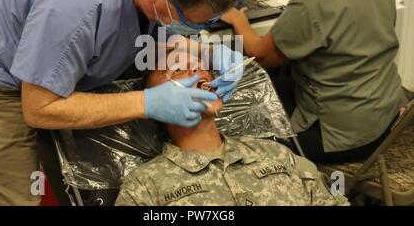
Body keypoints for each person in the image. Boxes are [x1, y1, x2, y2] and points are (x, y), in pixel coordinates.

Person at [0, 0, 244, 206]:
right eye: (190, 22)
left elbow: (144, 31)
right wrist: (146, 103)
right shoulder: (76, 5)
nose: (191, 69)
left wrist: (204, 50)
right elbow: (39, 108)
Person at [221, 0, 405, 164]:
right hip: (386, 117)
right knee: (283, 78)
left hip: (340, 137)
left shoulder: (313, 0)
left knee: (237, 117)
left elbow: (261, 56)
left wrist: (239, 21)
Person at [115, 64, 349, 206]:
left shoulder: (276, 154)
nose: (196, 71)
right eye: (177, 70)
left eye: (200, 66)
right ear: (157, 104)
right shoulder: (146, 183)